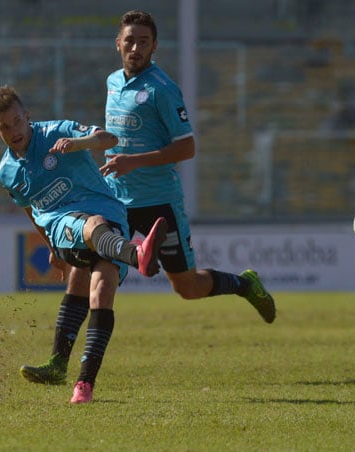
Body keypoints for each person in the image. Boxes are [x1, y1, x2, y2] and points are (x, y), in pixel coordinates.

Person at [0, 85, 168, 404]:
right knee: (91, 227)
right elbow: (30, 209)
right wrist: (51, 247)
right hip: (61, 223)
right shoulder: (6, 171)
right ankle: (136, 253)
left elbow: (109, 139)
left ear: (28, 116)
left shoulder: (57, 130)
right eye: (4, 127)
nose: (14, 131)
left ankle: (79, 381)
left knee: (101, 286)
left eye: (17, 121)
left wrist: (77, 144)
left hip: (109, 211)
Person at [101, 10, 276, 322]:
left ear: (155, 46)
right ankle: (70, 359)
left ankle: (244, 284)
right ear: (118, 44)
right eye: (130, 41)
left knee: (187, 287)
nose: (136, 48)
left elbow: (187, 147)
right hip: (118, 200)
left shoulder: (162, 89)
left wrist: (133, 161)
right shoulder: (113, 82)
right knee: (98, 273)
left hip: (159, 204)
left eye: (144, 42)